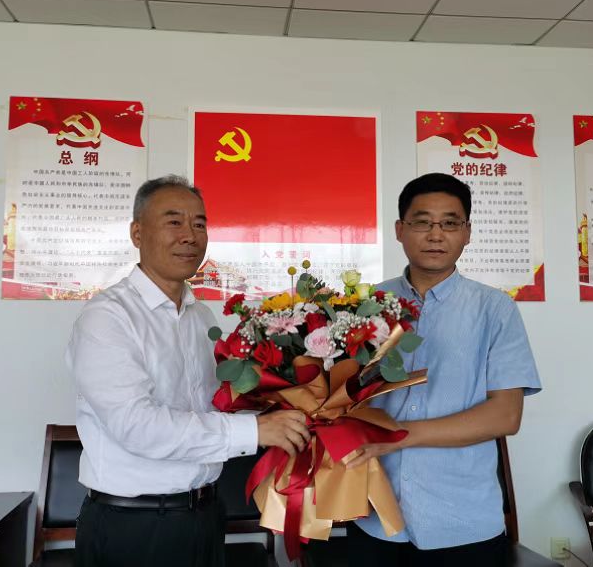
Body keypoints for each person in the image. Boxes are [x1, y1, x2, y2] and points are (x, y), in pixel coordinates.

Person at [66, 175, 310, 567]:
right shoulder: (108, 317)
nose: (190, 236)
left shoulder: (200, 317)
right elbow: (137, 425)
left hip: (205, 515)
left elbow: (213, 406)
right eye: (174, 221)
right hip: (135, 526)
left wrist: (290, 408)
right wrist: (256, 430)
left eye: (199, 224)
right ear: (137, 233)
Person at [347, 172, 541, 567]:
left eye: (450, 223)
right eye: (422, 222)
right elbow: (340, 397)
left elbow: (505, 415)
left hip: (462, 520)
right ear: (400, 230)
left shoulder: (495, 309)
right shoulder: (365, 306)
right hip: (373, 514)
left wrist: (399, 437)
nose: (436, 235)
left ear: (467, 232)